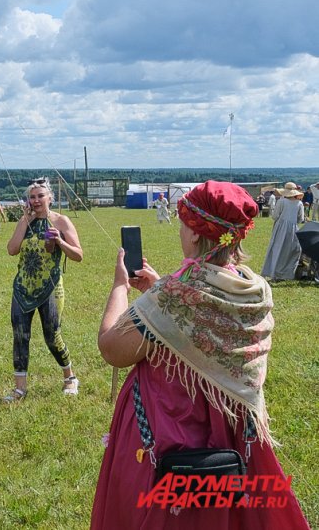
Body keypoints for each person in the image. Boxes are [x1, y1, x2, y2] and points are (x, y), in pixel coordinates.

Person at [92, 180, 309, 529]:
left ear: (195, 234)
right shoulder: (253, 287)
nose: (180, 231)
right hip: (231, 437)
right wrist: (159, 286)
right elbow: (200, 320)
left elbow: (112, 348)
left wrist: (120, 285)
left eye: (182, 224)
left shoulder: (176, 294)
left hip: (169, 438)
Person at [5, 178, 83, 401]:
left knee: (52, 336)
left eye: (40, 196)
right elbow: (12, 250)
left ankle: (70, 378)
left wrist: (60, 241)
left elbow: (78, 255)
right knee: (20, 336)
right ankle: (20, 388)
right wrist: (23, 223)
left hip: (50, 288)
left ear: (50, 197)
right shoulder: (25, 220)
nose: (36, 200)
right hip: (22, 287)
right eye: (32, 196)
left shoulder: (61, 221)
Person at [261, 182, 304, 280]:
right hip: (293, 228)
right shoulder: (299, 203)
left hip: (280, 228)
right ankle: (286, 273)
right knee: (290, 250)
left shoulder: (282, 201)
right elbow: (300, 219)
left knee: (277, 249)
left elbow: (275, 216)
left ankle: (274, 272)